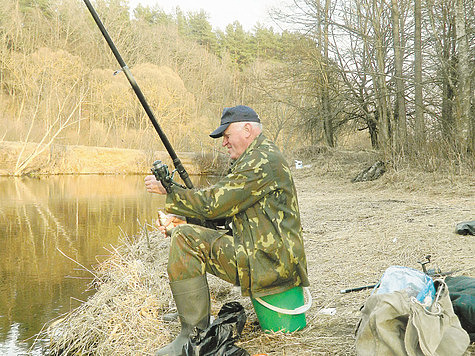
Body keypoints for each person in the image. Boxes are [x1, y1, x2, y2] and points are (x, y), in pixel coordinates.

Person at [144, 105, 309, 356]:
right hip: (269, 257)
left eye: (226, 135)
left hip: (271, 264)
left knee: (185, 239)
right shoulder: (258, 156)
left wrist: (170, 191)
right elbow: (222, 210)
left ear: (246, 129)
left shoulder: (260, 161)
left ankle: (193, 335)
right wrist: (183, 219)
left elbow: (212, 203)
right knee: (185, 231)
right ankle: (191, 313)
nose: (224, 143)